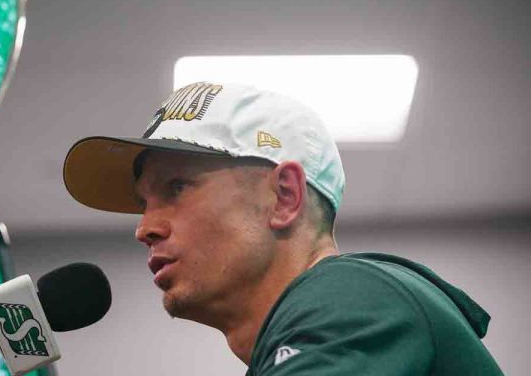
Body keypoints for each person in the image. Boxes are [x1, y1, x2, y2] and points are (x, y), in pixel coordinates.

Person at [62, 82, 503, 375]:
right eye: (144, 204)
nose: (144, 228)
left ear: (284, 197)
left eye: (176, 187)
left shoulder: (350, 295)